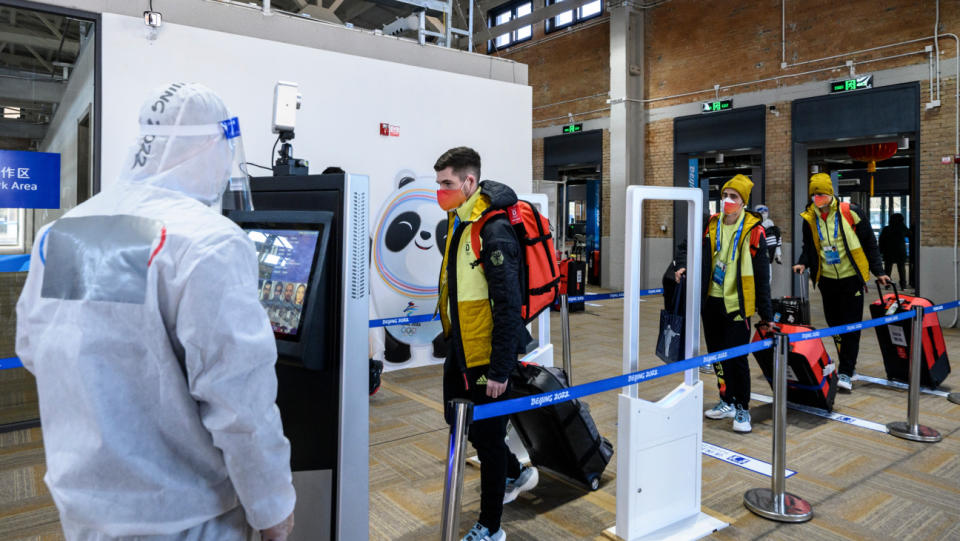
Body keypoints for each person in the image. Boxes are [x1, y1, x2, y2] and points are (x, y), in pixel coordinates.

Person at [15, 83, 295, 540]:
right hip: (185, 515)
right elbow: (241, 408)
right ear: (208, 147)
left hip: (87, 507)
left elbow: (38, 349)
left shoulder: (70, 229)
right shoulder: (207, 241)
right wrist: (273, 510)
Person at [435, 147, 537, 541]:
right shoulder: (460, 221)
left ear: (469, 182)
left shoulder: (492, 230)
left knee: (490, 440)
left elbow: (509, 305)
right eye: (439, 183)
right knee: (459, 423)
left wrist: (499, 369)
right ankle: (516, 471)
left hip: (487, 356)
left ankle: (490, 526)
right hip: (460, 348)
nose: (440, 191)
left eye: (447, 183)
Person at [676, 174, 772, 433]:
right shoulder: (710, 224)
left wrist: (767, 313)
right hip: (711, 302)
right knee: (717, 356)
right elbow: (684, 247)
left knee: (737, 358)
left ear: (743, 202)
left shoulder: (754, 231)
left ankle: (742, 407)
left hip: (737, 305)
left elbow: (762, 276)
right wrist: (683, 264)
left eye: (734, 197)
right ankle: (726, 399)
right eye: (725, 196)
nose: (728, 201)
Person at [792, 173, 889, 391]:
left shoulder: (850, 212)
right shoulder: (809, 218)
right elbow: (809, 247)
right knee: (834, 324)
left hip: (851, 279)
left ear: (831, 193)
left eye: (822, 194)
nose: (818, 198)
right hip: (827, 280)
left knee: (851, 326)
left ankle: (846, 370)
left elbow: (870, 244)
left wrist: (879, 271)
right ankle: (845, 363)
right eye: (815, 194)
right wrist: (802, 263)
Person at [879, 213, 909, 289]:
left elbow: (881, 240)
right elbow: (910, 235)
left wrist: (881, 251)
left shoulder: (886, 229)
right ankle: (903, 285)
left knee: (888, 269)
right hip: (900, 251)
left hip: (888, 251)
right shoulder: (902, 228)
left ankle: (887, 284)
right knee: (901, 268)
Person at [754, 204, 783, 285]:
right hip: (756, 256)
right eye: (761, 212)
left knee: (768, 278)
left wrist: (778, 255)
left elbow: (777, 241)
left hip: (768, 256)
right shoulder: (753, 225)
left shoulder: (772, 226)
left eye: (765, 212)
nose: (764, 214)